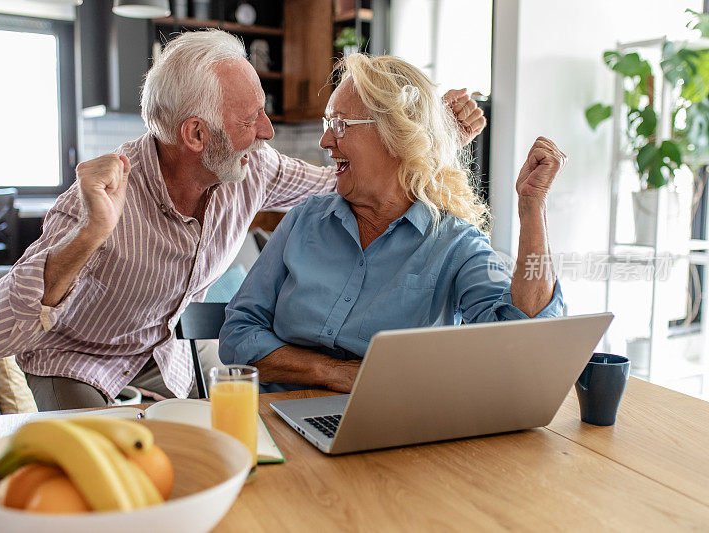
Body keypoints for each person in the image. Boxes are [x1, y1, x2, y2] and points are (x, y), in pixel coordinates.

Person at [0, 30, 488, 410]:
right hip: (79, 365)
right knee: (113, 488)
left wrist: (427, 138)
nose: (267, 131)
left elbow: (359, 180)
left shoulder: (252, 169)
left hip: (168, 366)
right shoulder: (103, 201)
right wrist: (89, 236)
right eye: (250, 120)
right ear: (196, 136)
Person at [218, 53, 565, 393]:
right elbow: (238, 334)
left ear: (396, 137)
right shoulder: (304, 220)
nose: (325, 142)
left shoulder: (456, 244)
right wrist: (335, 372)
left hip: (386, 428)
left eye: (339, 125)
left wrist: (532, 208)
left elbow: (522, 339)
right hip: (273, 421)